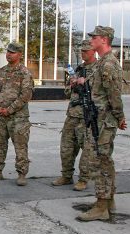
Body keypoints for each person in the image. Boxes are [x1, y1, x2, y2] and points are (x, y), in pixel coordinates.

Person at [75, 26, 127, 221]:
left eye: (94, 37)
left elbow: (114, 95)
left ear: (104, 39)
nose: (92, 40)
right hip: (98, 118)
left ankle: (102, 206)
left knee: (99, 161)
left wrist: (119, 117)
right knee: (103, 160)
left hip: (103, 121)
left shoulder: (108, 64)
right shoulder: (101, 63)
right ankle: (106, 200)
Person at [0, 42, 34, 186]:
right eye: (7, 52)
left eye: (12, 52)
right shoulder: (0, 72)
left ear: (19, 54)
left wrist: (10, 109)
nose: (8, 54)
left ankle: (21, 173)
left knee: (20, 145)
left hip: (18, 117)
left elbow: (26, 95)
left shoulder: (25, 73)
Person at [52, 40, 95, 191]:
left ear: (93, 51)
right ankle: (66, 175)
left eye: (86, 51)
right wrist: (72, 84)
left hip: (87, 117)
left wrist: (87, 84)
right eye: (81, 51)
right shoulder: (79, 69)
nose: (83, 53)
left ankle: (83, 179)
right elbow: (67, 92)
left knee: (87, 150)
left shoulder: (98, 69)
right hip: (72, 115)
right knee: (67, 147)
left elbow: (101, 93)